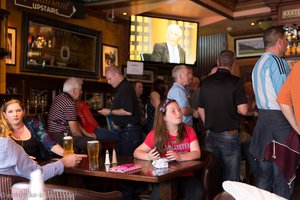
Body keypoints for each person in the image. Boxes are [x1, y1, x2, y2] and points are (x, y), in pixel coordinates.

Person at [249, 26, 292, 199]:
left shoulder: (257, 65)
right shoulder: (278, 62)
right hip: (279, 123)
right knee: (283, 176)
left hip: (263, 123)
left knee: (264, 178)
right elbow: (285, 99)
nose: (287, 45)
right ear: (280, 41)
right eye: (286, 41)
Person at [134, 98, 203, 200]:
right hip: (165, 178)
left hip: (186, 176)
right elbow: (136, 152)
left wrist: (180, 156)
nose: (178, 113)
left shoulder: (188, 130)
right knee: (157, 197)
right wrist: (148, 156)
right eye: (173, 111)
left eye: (179, 109)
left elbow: (197, 153)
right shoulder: (156, 134)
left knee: (197, 193)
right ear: (164, 117)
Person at [198, 50, 248, 182]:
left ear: (217, 62)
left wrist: (207, 125)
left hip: (210, 133)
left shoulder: (206, 82)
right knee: (231, 176)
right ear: (232, 64)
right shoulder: (236, 82)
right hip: (229, 134)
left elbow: (200, 109)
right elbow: (243, 110)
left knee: (212, 174)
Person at [0, 110, 86, 181]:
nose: (15, 114)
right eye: (10, 112)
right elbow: (37, 174)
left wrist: (66, 154)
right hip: (25, 189)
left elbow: (48, 141)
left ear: (23, 112)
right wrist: (63, 162)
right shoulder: (6, 143)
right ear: (4, 115)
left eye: (18, 110)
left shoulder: (32, 123)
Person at [98, 66, 143, 156]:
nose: (108, 82)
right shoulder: (124, 87)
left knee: (126, 162)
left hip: (130, 132)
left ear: (117, 75)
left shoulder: (124, 89)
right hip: (129, 131)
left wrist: (109, 112)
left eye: (110, 79)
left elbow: (127, 111)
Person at [47, 77, 95, 154]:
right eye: (80, 90)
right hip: (60, 136)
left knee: (88, 141)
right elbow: (75, 132)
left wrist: (86, 134)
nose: (81, 92)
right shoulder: (69, 103)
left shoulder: (59, 98)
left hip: (54, 135)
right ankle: (88, 165)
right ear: (74, 90)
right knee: (94, 144)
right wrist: (84, 139)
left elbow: (74, 122)